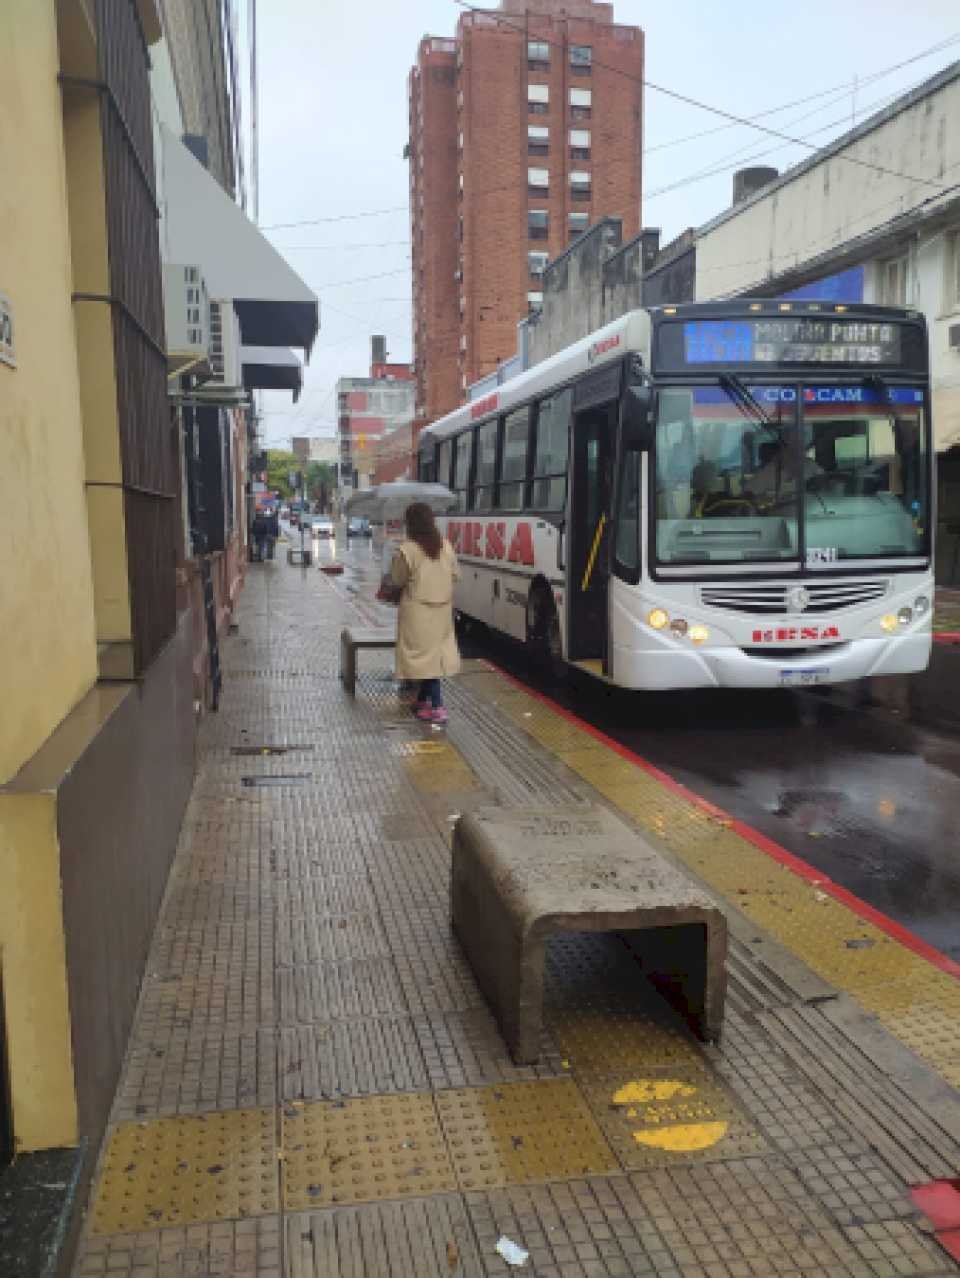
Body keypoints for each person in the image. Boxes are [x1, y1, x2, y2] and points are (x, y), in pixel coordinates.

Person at [391, 502, 460, 724]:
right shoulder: (446, 546)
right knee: (434, 656)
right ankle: (422, 701)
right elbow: (456, 574)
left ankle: (438, 707)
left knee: (423, 660)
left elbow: (397, 579)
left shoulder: (407, 549)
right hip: (442, 612)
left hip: (418, 612)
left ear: (410, 524)